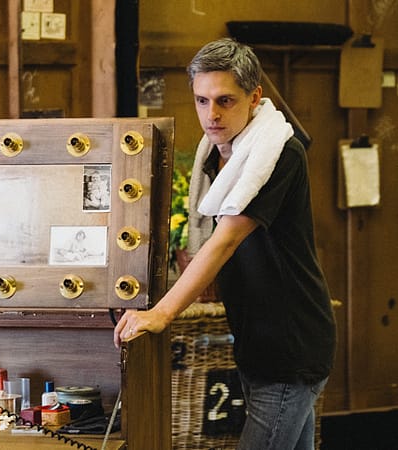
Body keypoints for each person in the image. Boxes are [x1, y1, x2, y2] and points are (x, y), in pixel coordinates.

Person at [114, 38, 336, 450]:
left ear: (255, 98)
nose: (211, 115)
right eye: (201, 100)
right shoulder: (216, 153)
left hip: (291, 345)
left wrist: (161, 313)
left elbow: (227, 239)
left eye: (225, 101)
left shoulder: (277, 154)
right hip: (257, 339)